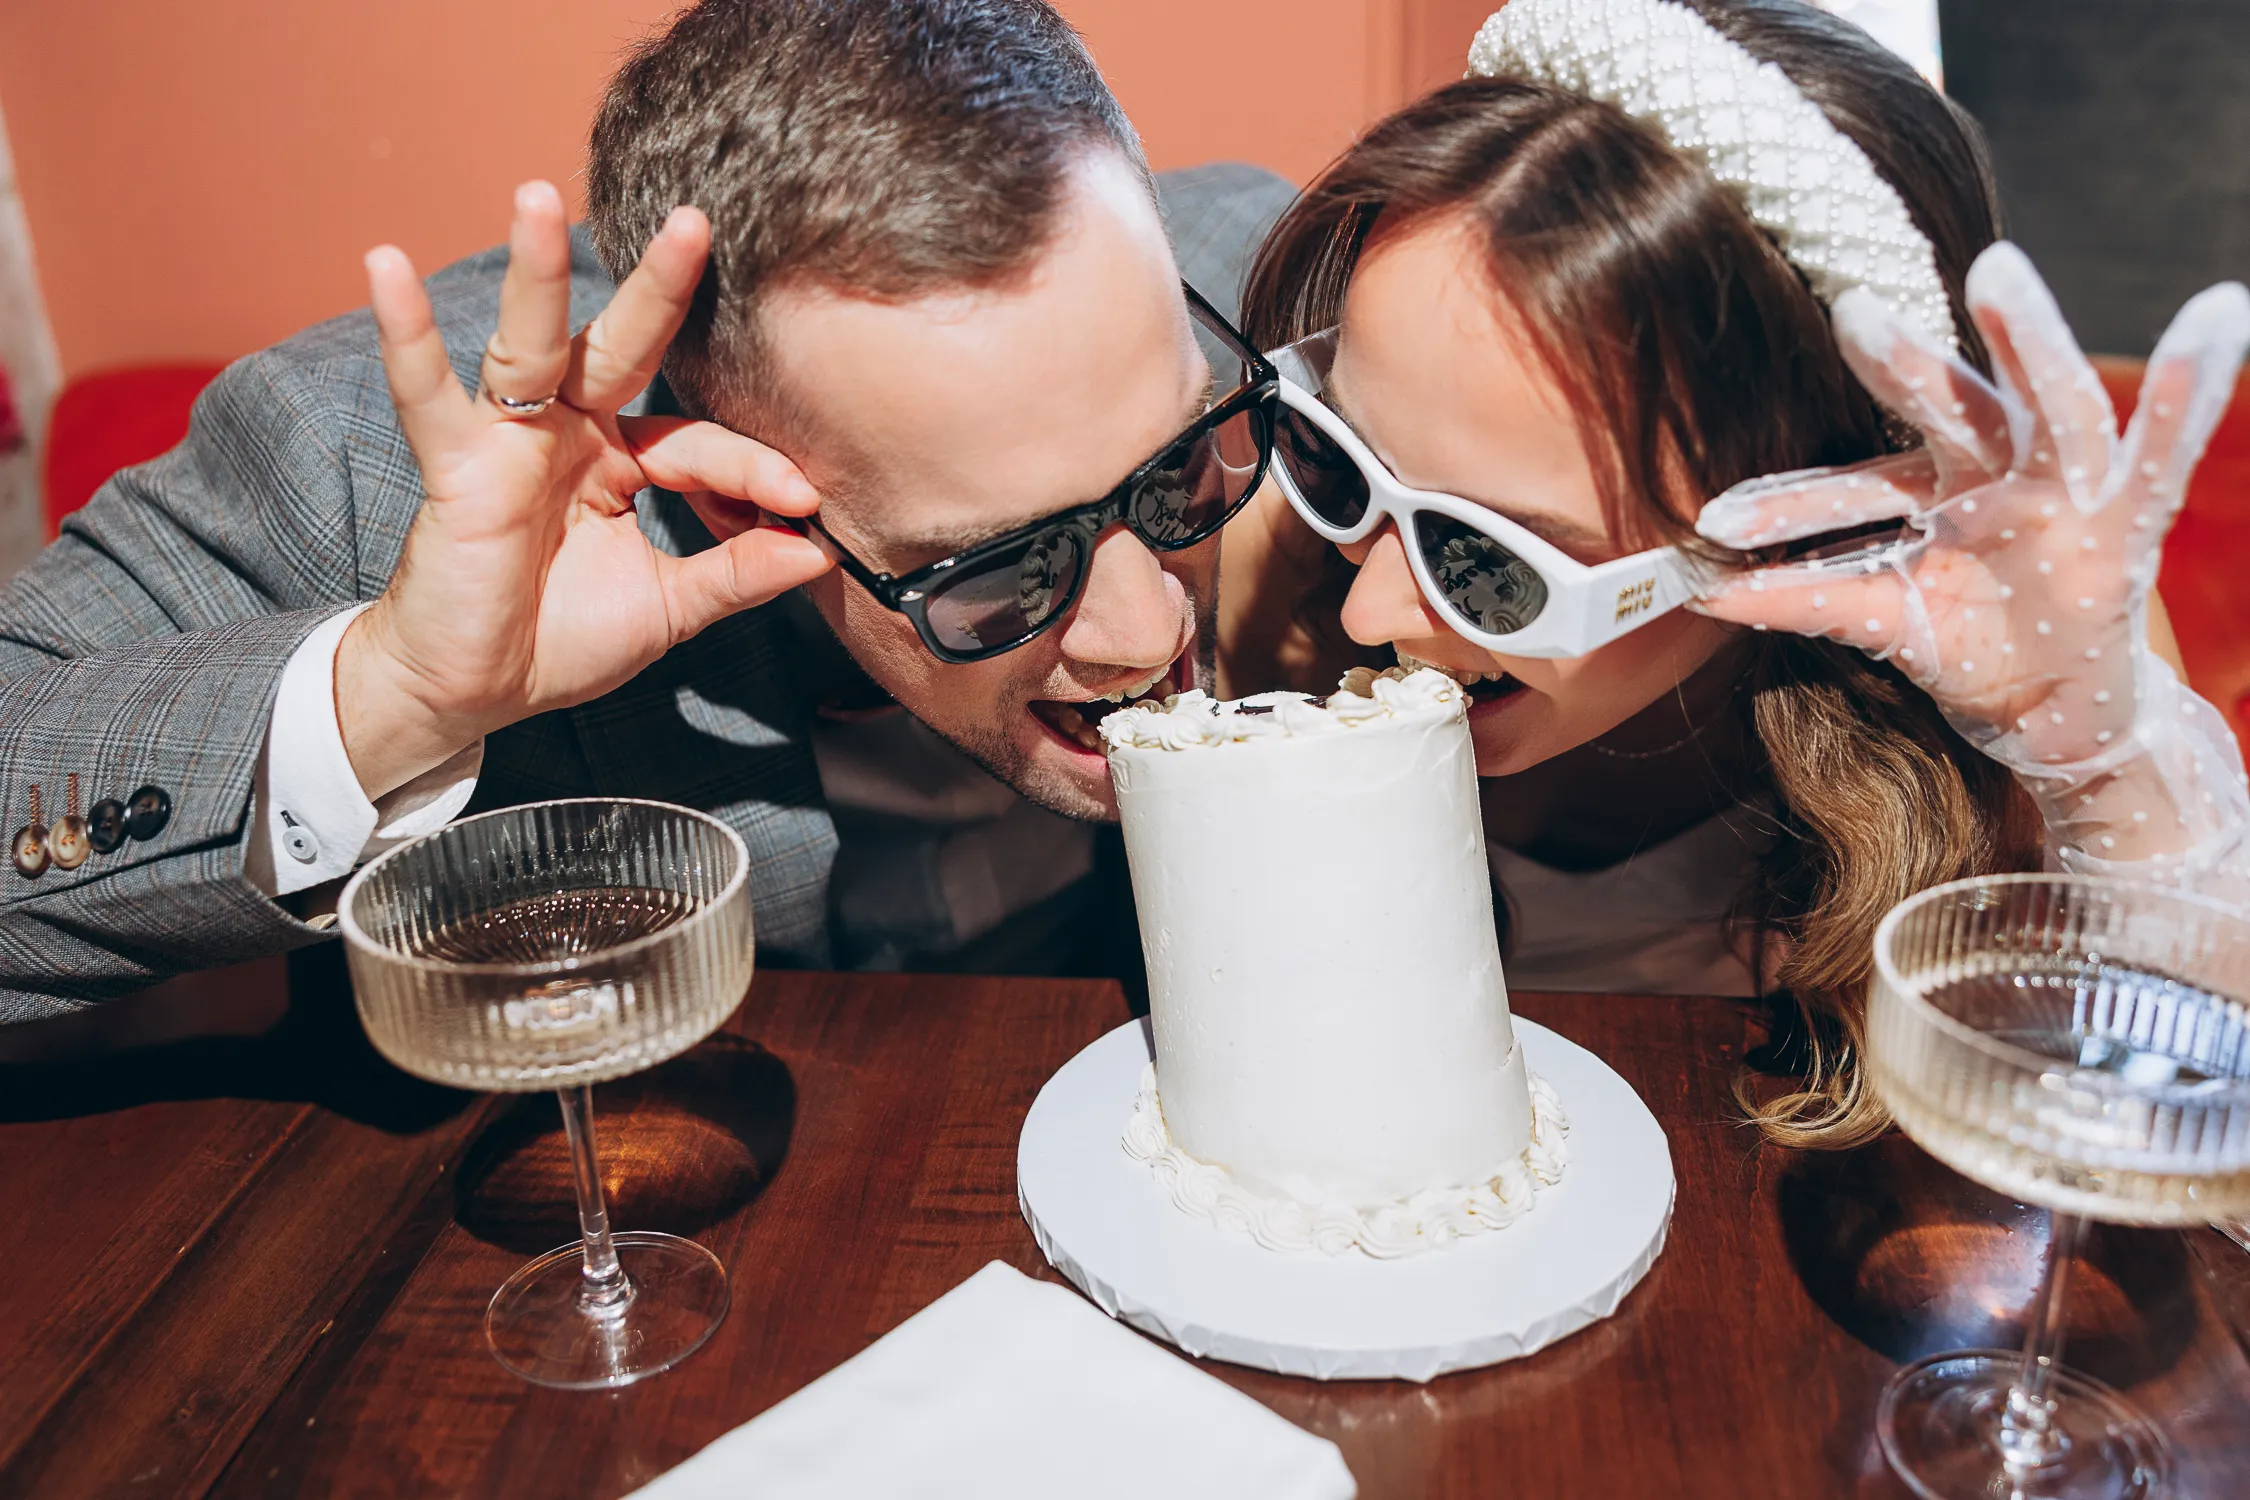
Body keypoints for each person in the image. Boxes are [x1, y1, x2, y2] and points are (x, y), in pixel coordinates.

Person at [0, 0, 1294, 1018]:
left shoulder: (1290, 282)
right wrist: (390, 696)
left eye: (1182, 463)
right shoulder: (362, 462)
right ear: (744, 503)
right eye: (1000, 567)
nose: (1144, 631)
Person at [1226, 0, 2250, 1144]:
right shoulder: (1271, 574)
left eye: (1495, 562)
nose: (1370, 607)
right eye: (1337, 453)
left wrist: (2104, 777)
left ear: (1806, 526)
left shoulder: (2047, 653)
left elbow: (2179, 1145)